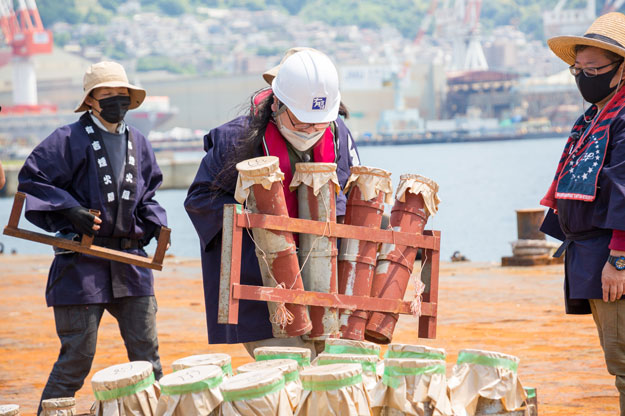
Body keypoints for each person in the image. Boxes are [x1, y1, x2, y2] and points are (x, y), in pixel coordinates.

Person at [185, 48, 360, 357]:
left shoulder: (337, 135)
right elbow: (200, 200)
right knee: (289, 377)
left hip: (326, 289)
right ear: (277, 103)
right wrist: (255, 218)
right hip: (265, 289)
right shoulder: (235, 140)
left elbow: (351, 195)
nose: (310, 131)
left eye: (318, 123)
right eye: (302, 121)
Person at [17, 61, 168, 412]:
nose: (116, 100)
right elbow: (33, 179)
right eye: (107, 94)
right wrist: (69, 209)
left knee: (148, 356)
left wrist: (156, 223)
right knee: (76, 359)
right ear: (90, 100)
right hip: (81, 264)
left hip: (131, 262)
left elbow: (149, 195)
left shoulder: (140, 142)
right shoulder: (66, 139)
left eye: (122, 94)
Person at [541, 12, 625, 414]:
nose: (584, 77)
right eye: (579, 68)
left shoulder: (622, 119)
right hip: (589, 254)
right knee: (616, 361)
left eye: (594, 69)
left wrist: (620, 258)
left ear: (621, 69)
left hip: (612, 255)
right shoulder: (592, 119)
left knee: (624, 361)